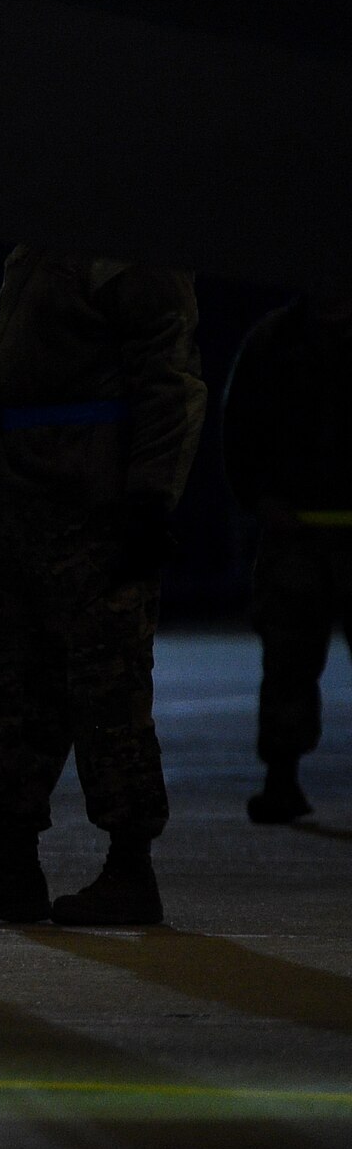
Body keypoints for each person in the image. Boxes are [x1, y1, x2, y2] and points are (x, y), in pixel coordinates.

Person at [0, 249, 205, 928]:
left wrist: (151, 498)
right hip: (25, 491)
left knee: (109, 683)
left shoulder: (135, 246)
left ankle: (130, 868)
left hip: (95, 497)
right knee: (12, 683)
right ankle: (11, 862)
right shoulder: (35, 244)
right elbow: (12, 384)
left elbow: (169, 378)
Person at [221, 284, 352, 824]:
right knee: (287, 660)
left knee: (287, 660)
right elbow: (239, 427)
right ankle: (281, 779)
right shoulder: (272, 341)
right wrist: (260, 497)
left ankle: (281, 780)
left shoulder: (274, 339)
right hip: (294, 530)